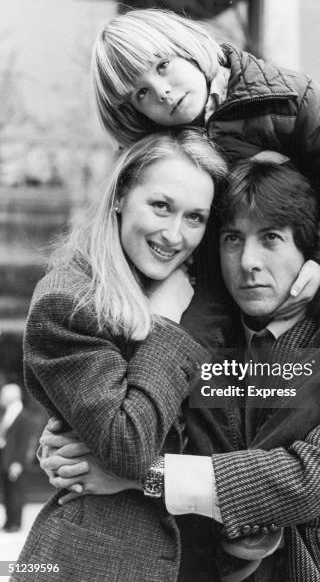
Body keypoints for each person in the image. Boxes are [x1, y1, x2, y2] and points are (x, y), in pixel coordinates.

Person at [43, 160, 320, 582]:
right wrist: (70, 441)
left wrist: (143, 475)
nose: (248, 261)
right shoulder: (198, 337)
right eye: (234, 239)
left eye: (271, 238)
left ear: (308, 252)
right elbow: (131, 424)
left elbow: (308, 481)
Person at [91, 6, 320, 400]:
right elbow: (121, 228)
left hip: (317, 245)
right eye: (141, 93)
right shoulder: (160, 148)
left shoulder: (286, 96)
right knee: (180, 347)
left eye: (162, 65)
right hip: (217, 266)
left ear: (188, 47)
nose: (161, 92)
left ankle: (283, 446)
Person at [12, 129, 227, 582]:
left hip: (195, 556)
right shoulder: (68, 303)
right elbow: (128, 445)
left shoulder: (204, 294)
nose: (174, 234)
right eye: (161, 206)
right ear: (120, 196)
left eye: (195, 218)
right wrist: (166, 324)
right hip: (89, 561)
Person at [0, 383, 32, 532]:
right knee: (7, 491)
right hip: (5, 459)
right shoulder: (8, 413)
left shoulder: (23, 415)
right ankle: (9, 521)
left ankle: (16, 523)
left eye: (3, 395)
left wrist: (17, 462)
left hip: (14, 461)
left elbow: (23, 442)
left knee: (16, 492)